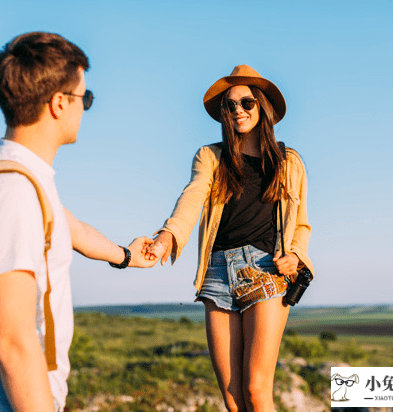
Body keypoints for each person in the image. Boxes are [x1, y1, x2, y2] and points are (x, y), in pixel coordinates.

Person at [0, 32, 156, 412]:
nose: (85, 107)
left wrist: (126, 255)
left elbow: (75, 232)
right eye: (85, 97)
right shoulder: (13, 190)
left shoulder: (10, 172)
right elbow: (13, 341)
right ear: (58, 104)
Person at [147, 65, 314, 412]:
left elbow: (302, 225)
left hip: (266, 269)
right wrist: (167, 235)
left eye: (247, 102)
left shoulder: (288, 162)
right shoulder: (211, 157)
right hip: (217, 273)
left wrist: (296, 256)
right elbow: (192, 196)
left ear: (263, 107)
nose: (238, 109)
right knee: (233, 399)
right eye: (229, 105)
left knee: (256, 390)